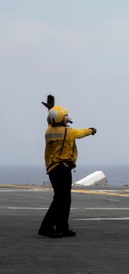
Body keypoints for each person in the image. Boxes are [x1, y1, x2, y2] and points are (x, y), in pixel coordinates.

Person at [39, 95, 97, 238]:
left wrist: (50, 110)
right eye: (65, 116)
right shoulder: (68, 132)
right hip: (62, 169)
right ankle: (46, 227)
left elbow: (52, 122)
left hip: (53, 169)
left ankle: (62, 227)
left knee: (63, 199)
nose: (67, 118)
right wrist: (91, 130)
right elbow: (81, 132)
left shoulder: (49, 132)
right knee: (61, 199)